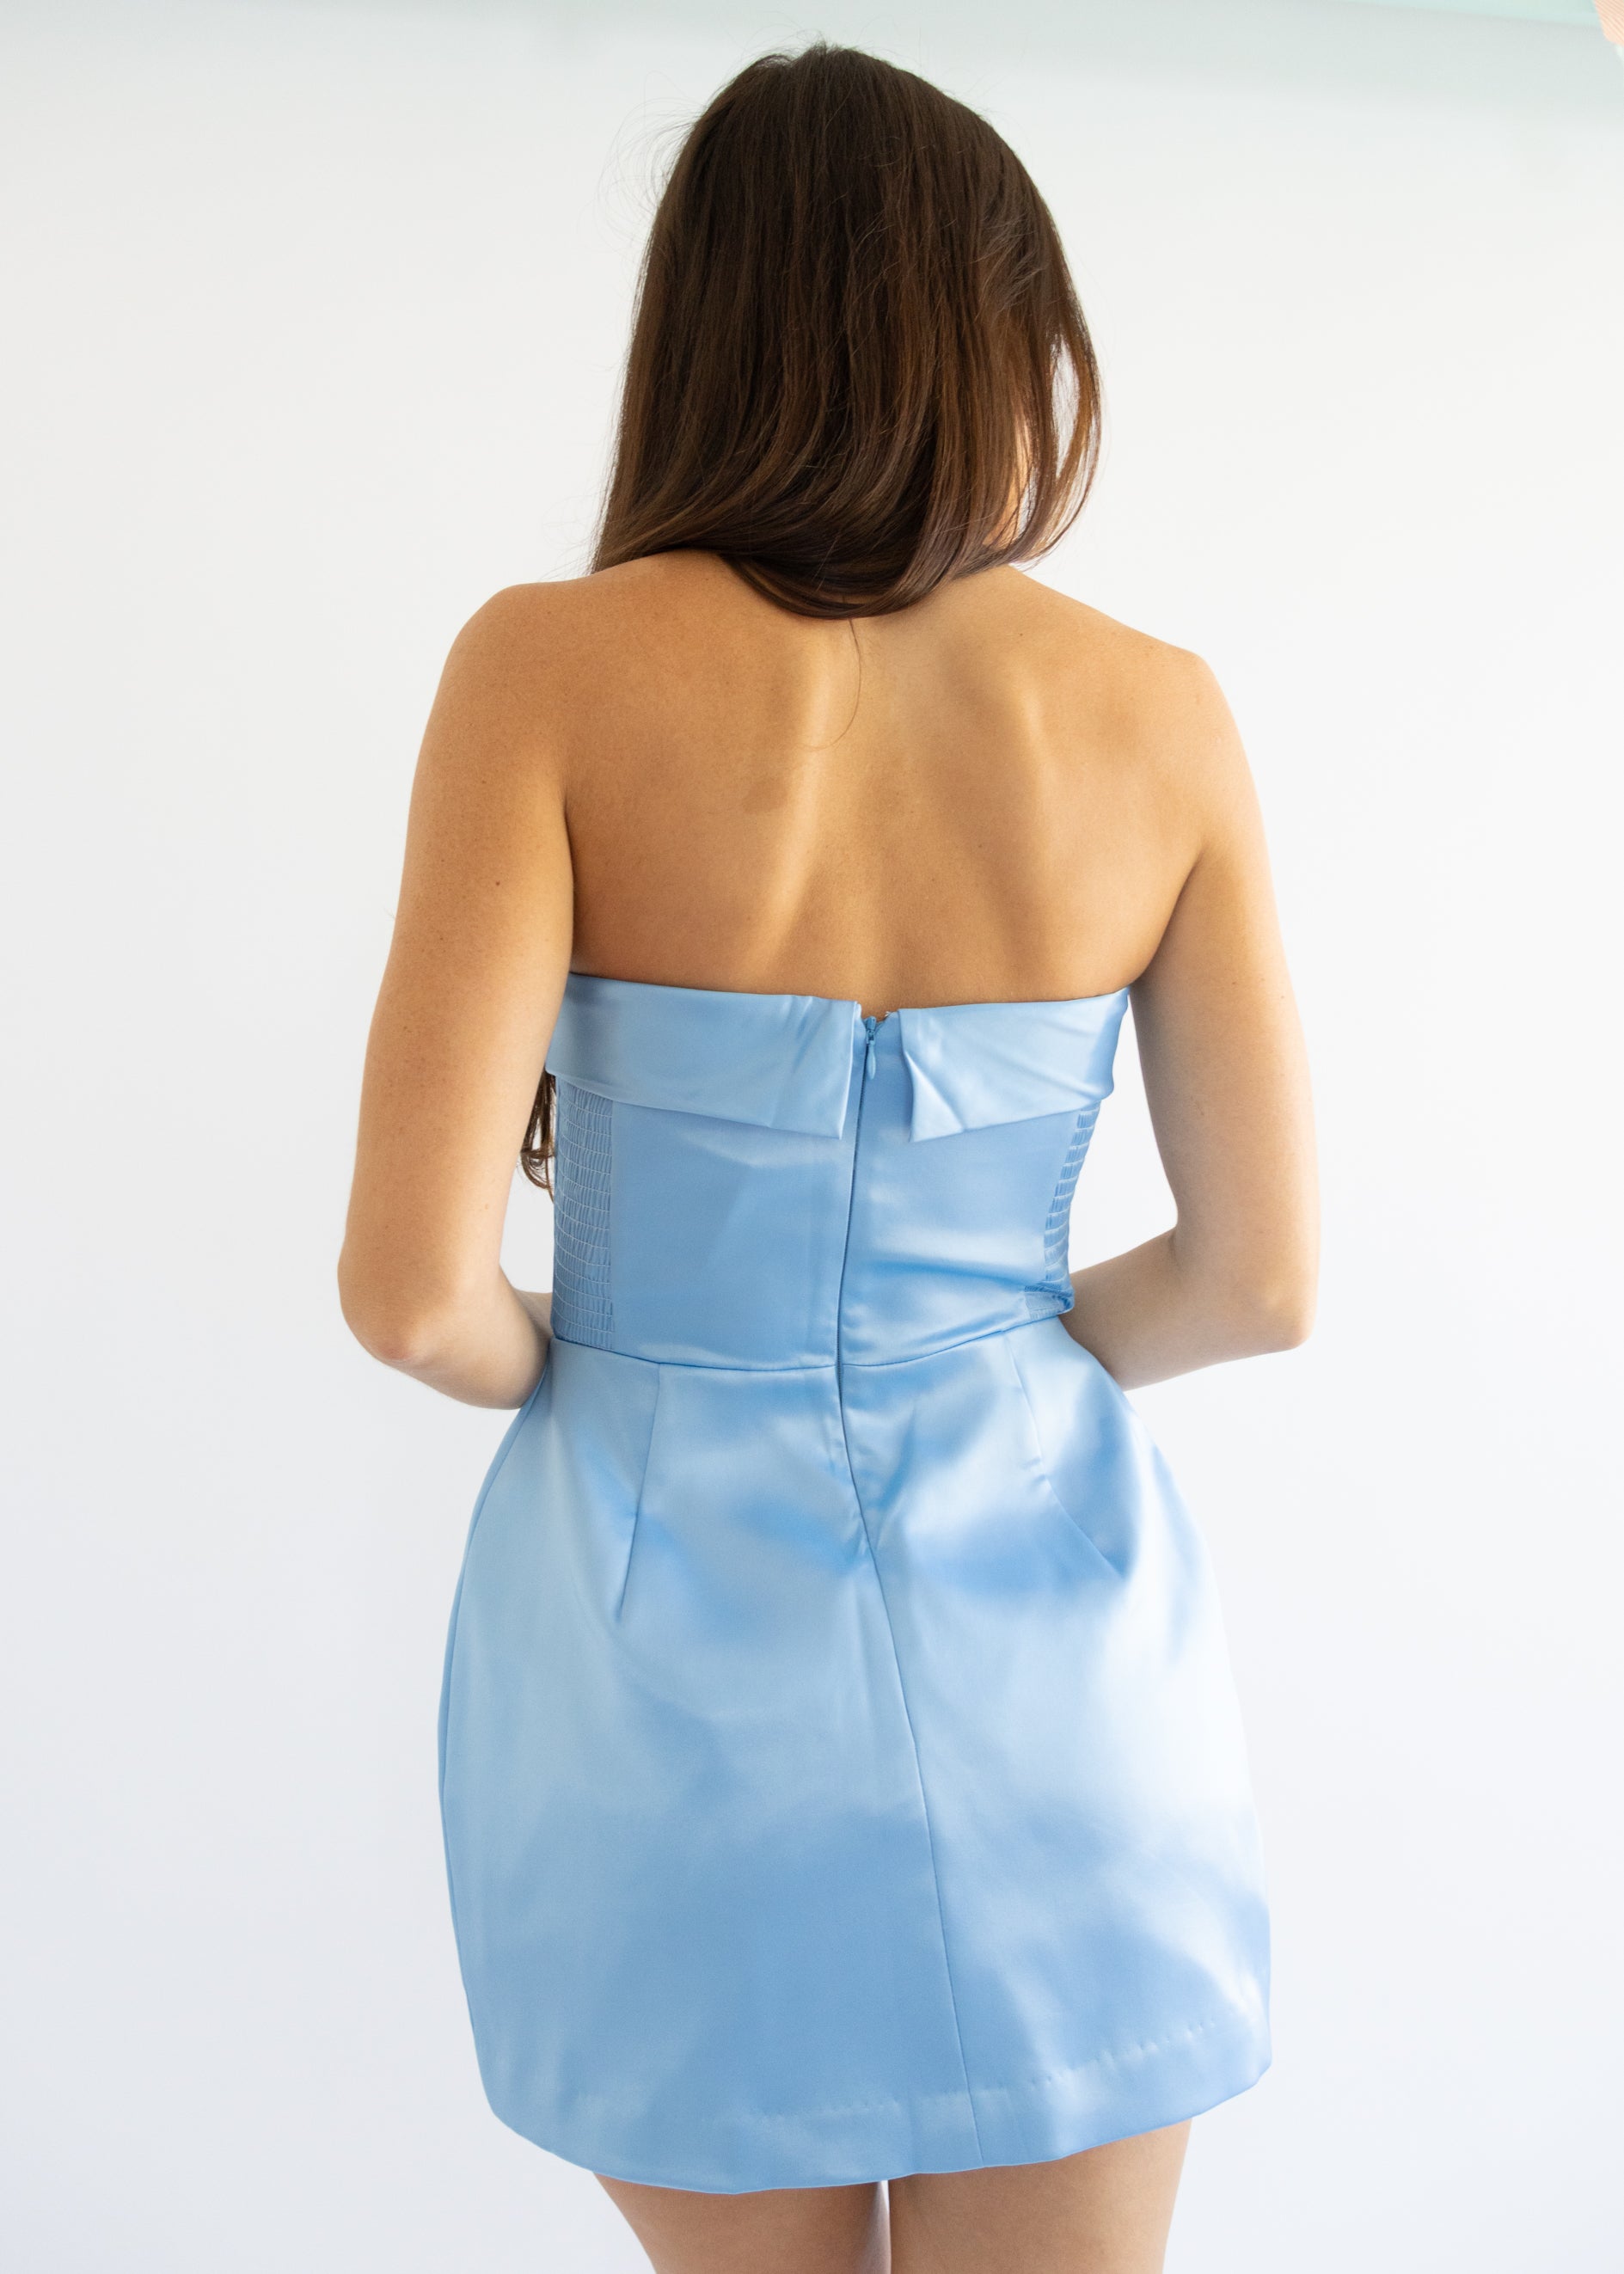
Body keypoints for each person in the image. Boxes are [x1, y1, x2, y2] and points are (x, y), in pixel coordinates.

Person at [339, 41, 1317, 2274]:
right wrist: (976, 1345)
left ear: (702, 327)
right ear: (995, 337)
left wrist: (634, 1364)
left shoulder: (550, 671)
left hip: (659, 1685)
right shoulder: (1151, 711)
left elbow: (412, 1293)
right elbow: (1258, 1280)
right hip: (1058, 1672)